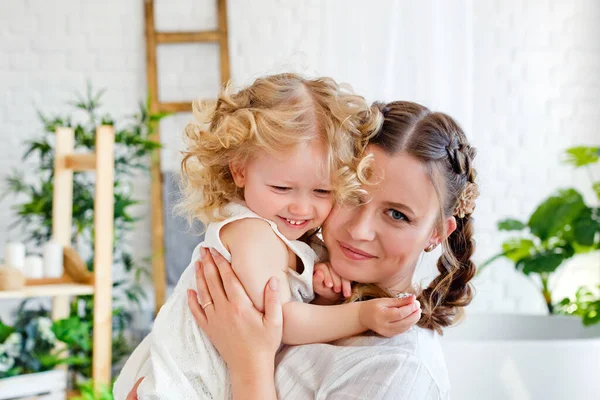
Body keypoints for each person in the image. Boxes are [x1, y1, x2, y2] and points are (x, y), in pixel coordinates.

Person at [114, 76, 422, 400]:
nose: (301, 206)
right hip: (181, 385)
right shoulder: (250, 233)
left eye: (322, 191)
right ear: (240, 171)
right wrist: (361, 315)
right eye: (282, 188)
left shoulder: (284, 236)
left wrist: (320, 293)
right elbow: (281, 323)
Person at [185, 100, 480, 399]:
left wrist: (250, 363)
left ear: (436, 233)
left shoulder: (400, 368)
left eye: (397, 215)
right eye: (352, 195)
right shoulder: (304, 280)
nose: (358, 230)